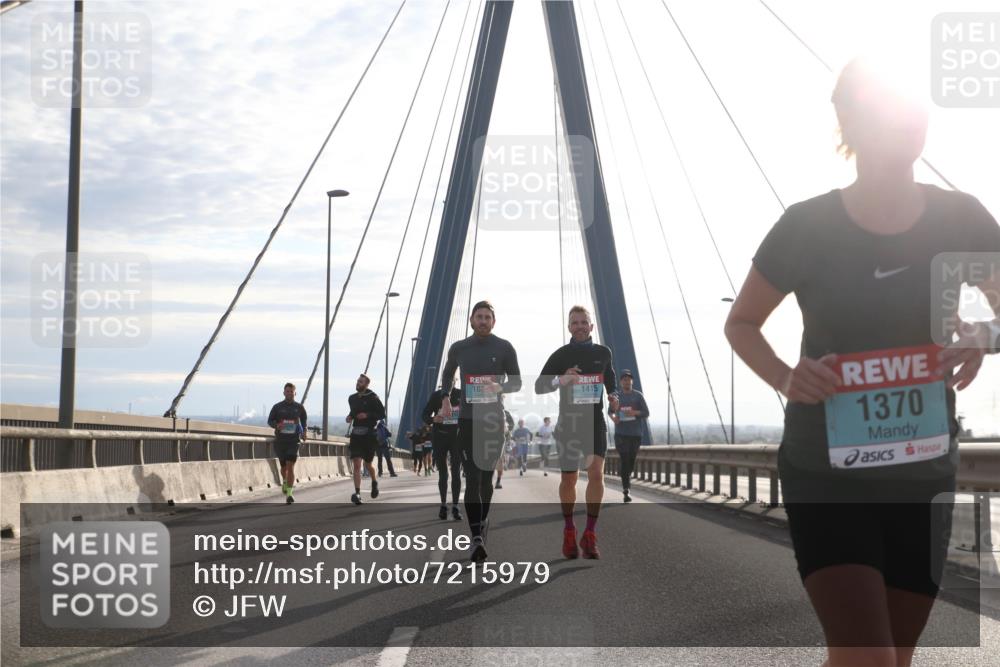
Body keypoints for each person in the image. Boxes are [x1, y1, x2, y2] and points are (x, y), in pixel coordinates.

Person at [724, 57, 1000, 666]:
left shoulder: (962, 218)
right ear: (848, 122)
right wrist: (786, 377)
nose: (906, 123)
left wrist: (983, 332)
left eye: (914, 110)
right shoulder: (806, 226)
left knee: (890, 659)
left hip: (923, 476)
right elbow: (740, 324)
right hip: (826, 471)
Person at [439, 300, 521, 563]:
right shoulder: (459, 348)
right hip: (467, 420)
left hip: (493, 421)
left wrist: (500, 388)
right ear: (471, 321)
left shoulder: (504, 347)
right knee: (472, 478)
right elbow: (448, 373)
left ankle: (482, 521)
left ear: (493, 322)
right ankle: (476, 538)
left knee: (486, 480)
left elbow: (517, 382)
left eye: (487, 317)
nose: (483, 321)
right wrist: (445, 396)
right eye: (479, 317)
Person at [535, 305, 618, 559]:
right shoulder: (560, 355)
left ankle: (590, 534)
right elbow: (539, 386)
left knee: (596, 475)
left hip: (595, 423)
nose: (580, 326)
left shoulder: (604, 353)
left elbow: (610, 381)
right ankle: (569, 530)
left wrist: (613, 396)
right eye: (575, 322)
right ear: (568, 327)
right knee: (570, 480)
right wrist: (561, 379)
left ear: (591, 327)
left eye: (584, 322)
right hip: (569, 425)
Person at [423, 385, 464, 521]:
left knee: (456, 472)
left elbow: (472, 412)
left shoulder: (460, 393)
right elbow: (424, 415)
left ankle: (456, 506)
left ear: (455, 380)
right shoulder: (436, 395)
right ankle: (443, 505)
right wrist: (433, 419)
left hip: (456, 438)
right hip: (439, 437)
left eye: (452, 379)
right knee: (443, 473)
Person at [609, 369, 650, 503]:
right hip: (621, 434)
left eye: (629, 379)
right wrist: (614, 418)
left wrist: (634, 412)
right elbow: (610, 412)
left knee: (630, 461)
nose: (627, 381)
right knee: (625, 459)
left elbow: (646, 413)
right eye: (624, 379)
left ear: (632, 381)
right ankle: (626, 489)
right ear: (621, 382)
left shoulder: (638, 396)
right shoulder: (616, 396)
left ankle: (626, 476)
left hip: (635, 434)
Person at [346, 373, 385, 505]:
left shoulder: (373, 397)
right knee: (357, 464)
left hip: (369, 435)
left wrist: (367, 415)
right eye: (357, 381)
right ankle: (357, 493)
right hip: (356, 434)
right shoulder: (352, 398)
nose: (358, 383)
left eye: (361, 382)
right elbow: (353, 412)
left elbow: (381, 414)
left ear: (366, 384)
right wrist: (350, 417)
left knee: (368, 464)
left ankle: (374, 481)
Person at [267, 382, 307, 505]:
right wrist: (277, 425)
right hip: (280, 441)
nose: (289, 393)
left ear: (295, 393)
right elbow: (270, 421)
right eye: (287, 391)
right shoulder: (277, 407)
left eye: (291, 391)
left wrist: (304, 431)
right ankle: (284, 481)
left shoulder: (299, 407)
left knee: (290, 466)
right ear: (284, 392)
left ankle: (289, 494)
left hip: (293, 441)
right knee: (284, 468)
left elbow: (304, 421)